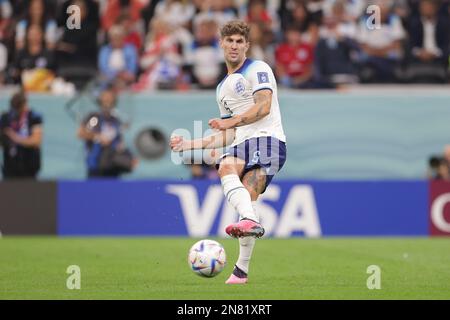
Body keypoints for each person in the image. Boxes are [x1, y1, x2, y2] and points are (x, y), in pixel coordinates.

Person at [170, 20, 287, 284]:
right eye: (229, 41)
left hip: (269, 141)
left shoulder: (258, 69)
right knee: (240, 190)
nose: (234, 45)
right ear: (221, 44)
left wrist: (230, 122)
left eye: (239, 41)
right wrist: (188, 145)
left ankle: (247, 225)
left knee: (234, 179)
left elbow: (263, 106)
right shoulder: (222, 88)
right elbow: (228, 134)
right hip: (242, 143)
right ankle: (241, 271)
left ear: (247, 45)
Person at [77, 88, 136, 178]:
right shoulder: (95, 119)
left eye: (110, 101)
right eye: (105, 101)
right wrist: (98, 136)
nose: (107, 104)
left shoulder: (115, 120)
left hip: (113, 167)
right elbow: (82, 132)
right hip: (97, 165)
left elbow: (119, 142)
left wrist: (128, 156)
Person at [0, 90, 43, 179]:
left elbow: (36, 141)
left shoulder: (34, 117)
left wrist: (15, 137)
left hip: (30, 166)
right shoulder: (5, 118)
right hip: (10, 167)